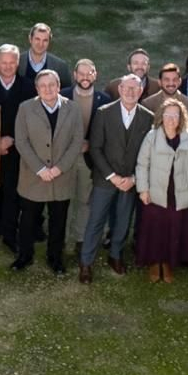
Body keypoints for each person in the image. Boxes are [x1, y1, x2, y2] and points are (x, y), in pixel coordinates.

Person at [135, 97, 188, 284]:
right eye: (168, 114)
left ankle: (168, 264)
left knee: (174, 230)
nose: (171, 119)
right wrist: (143, 189)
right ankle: (155, 263)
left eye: (176, 115)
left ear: (181, 118)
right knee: (155, 230)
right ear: (161, 116)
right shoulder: (152, 136)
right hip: (156, 192)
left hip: (179, 194)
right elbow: (142, 164)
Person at [80, 74, 151, 282]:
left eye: (135, 89)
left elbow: (147, 153)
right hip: (105, 179)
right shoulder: (104, 113)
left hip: (130, 181)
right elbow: (95, 148)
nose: (130, 92)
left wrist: (134, 179)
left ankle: (116, 255)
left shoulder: (148, 117)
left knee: (122, 221)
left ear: (141, 91)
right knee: (95, 222)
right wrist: (112, 176)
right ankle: (86, 262)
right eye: (126, 88)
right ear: (119, 89)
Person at [13, 70, 84, 273]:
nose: (48, 89)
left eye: (51, 85)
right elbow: (21, 141)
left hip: (61, 176)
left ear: (59, 86)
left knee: (58, 221)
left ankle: (55, 258)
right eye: (43, 86)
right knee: (27, 220)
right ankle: (24, 256)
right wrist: (41, 168)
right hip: (33, 176)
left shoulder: (73, 109)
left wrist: (59, 168)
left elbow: (76, 141)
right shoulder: (25, 108)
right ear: (37, 89)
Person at [0, 44, 33, 248]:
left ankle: (8, 231)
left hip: (16, 147)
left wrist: (10, 139)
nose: (7, 66)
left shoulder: (28, 87)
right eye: (3, 62)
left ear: (17, 63)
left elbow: (30, 119)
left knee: (11, 189)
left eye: (12, 62)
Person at [59, 58, 110, 240]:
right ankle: (61, 238)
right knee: (62, 200)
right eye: (81, 73)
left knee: (84, 200)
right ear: (75, 75)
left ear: (95, 75)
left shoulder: (104, 100)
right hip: (63, 158)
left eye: (89, 73)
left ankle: (79, 237)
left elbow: (106, 132)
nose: (85, 77)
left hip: (87, 159)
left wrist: (90, 143)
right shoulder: (62, 96)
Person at [18, 22, 72, 89]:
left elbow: (67, 92)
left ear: (49, 42)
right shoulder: (17, 62)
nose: (41, 44)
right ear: (30, 39)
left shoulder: (60, 66)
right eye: (37, 39)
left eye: (45, 40)